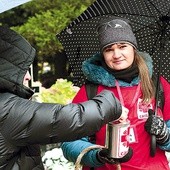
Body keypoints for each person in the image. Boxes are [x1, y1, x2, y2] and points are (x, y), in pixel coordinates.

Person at [0, 26, 128, 170]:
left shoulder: (158, 85)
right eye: (22, 70)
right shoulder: (7, 109)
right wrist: (111, 104)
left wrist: (159, 137)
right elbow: (62, 119)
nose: (28, 76)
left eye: (123, 46)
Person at [61, 17, 170, 170]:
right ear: (103, 54)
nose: (116, 54)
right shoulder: (90, 91)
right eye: (109, 49)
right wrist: (99, 155)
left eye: (122, 46)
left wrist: (164, 135)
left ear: (133, 48)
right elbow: (69, 142)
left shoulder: (158, 85)